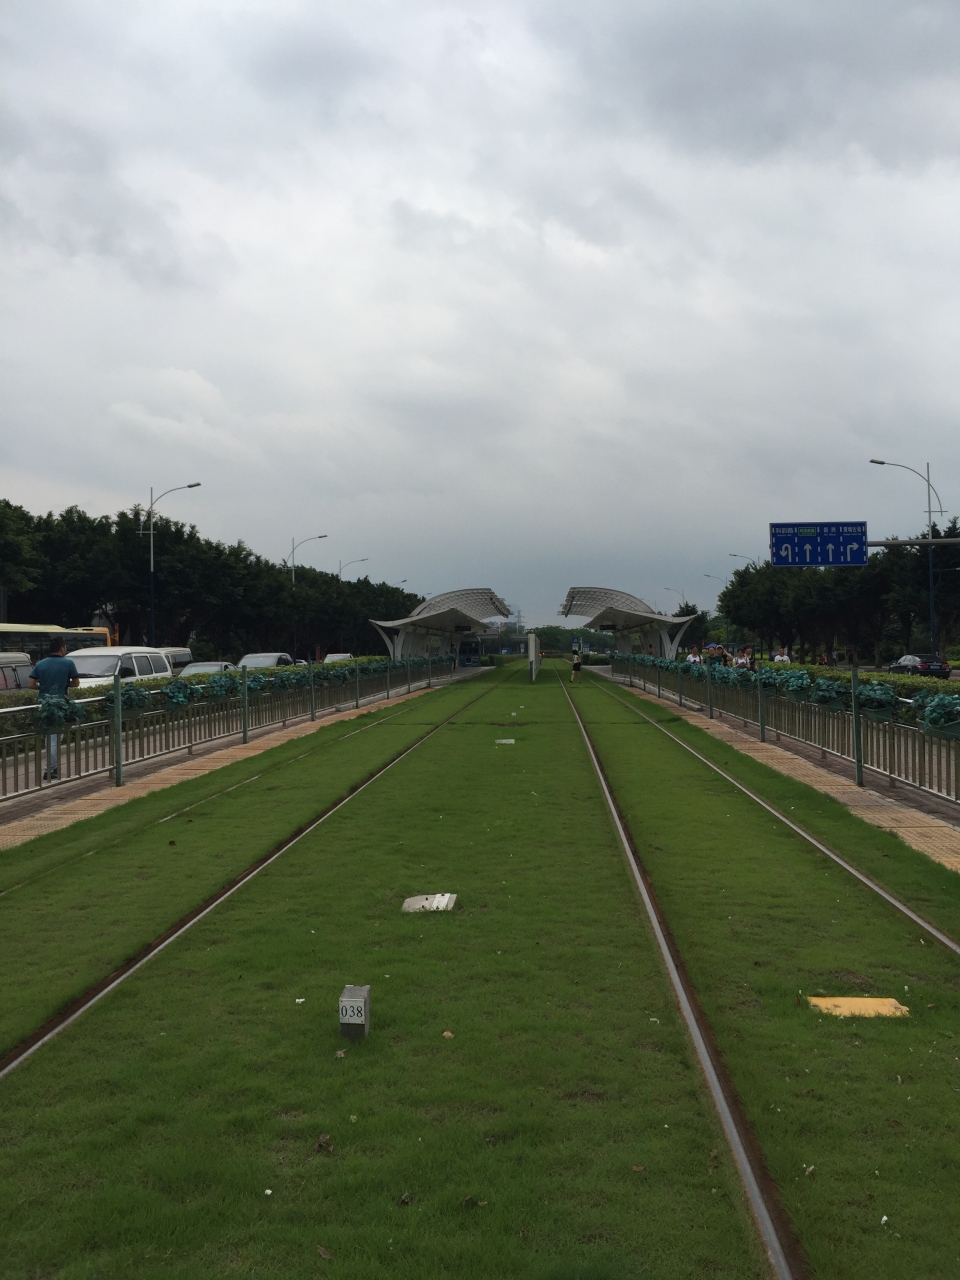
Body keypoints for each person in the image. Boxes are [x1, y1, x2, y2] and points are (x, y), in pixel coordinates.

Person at [28, 639, 80, 780]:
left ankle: (53, 767)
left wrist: (43, 686)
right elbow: (76, 683)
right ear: (62, 648)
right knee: (55, 737)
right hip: (60, 704)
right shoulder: (68, 663)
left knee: (50, 736)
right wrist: (64, 684)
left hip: (44, 703)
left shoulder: (40, 664)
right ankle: (50, 770)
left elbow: (31, 684)